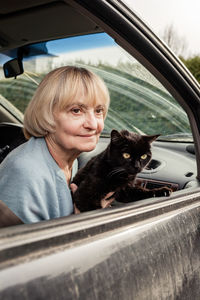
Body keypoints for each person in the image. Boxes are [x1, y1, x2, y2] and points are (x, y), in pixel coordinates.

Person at [0, 66, 113, 223]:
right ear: (47, 114)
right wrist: (85, 220)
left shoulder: (67, 159)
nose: (93, 124)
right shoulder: (25, 173)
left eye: (98, 110)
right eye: (76, 110)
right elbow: (29, 247)